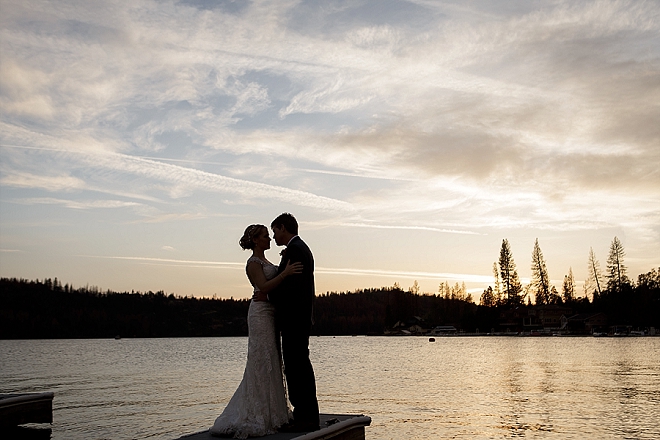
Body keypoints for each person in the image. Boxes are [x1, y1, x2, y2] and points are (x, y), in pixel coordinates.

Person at [210, 224, 302, 438]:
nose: (269, 238)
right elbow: (263, 287)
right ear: (255, 241)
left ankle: (274, 413)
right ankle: (257, 414)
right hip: (260, 314)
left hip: (271, 313)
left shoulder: (267, 261)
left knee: (272, 359)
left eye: (269, 235)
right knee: (261, 360)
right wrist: (286, 272)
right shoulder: (253, 263)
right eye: (265, 236)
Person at [267, 213, 320, 432]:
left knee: (297, 368)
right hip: (298, 318)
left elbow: (292, 288)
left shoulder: (296, 250)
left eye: (275, 231)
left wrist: (268, 296)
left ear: (283, 228)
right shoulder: (299, 248)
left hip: (294, 319)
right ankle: (307, 415)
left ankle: (305, 418)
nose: (274, 236)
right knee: (299, 367)